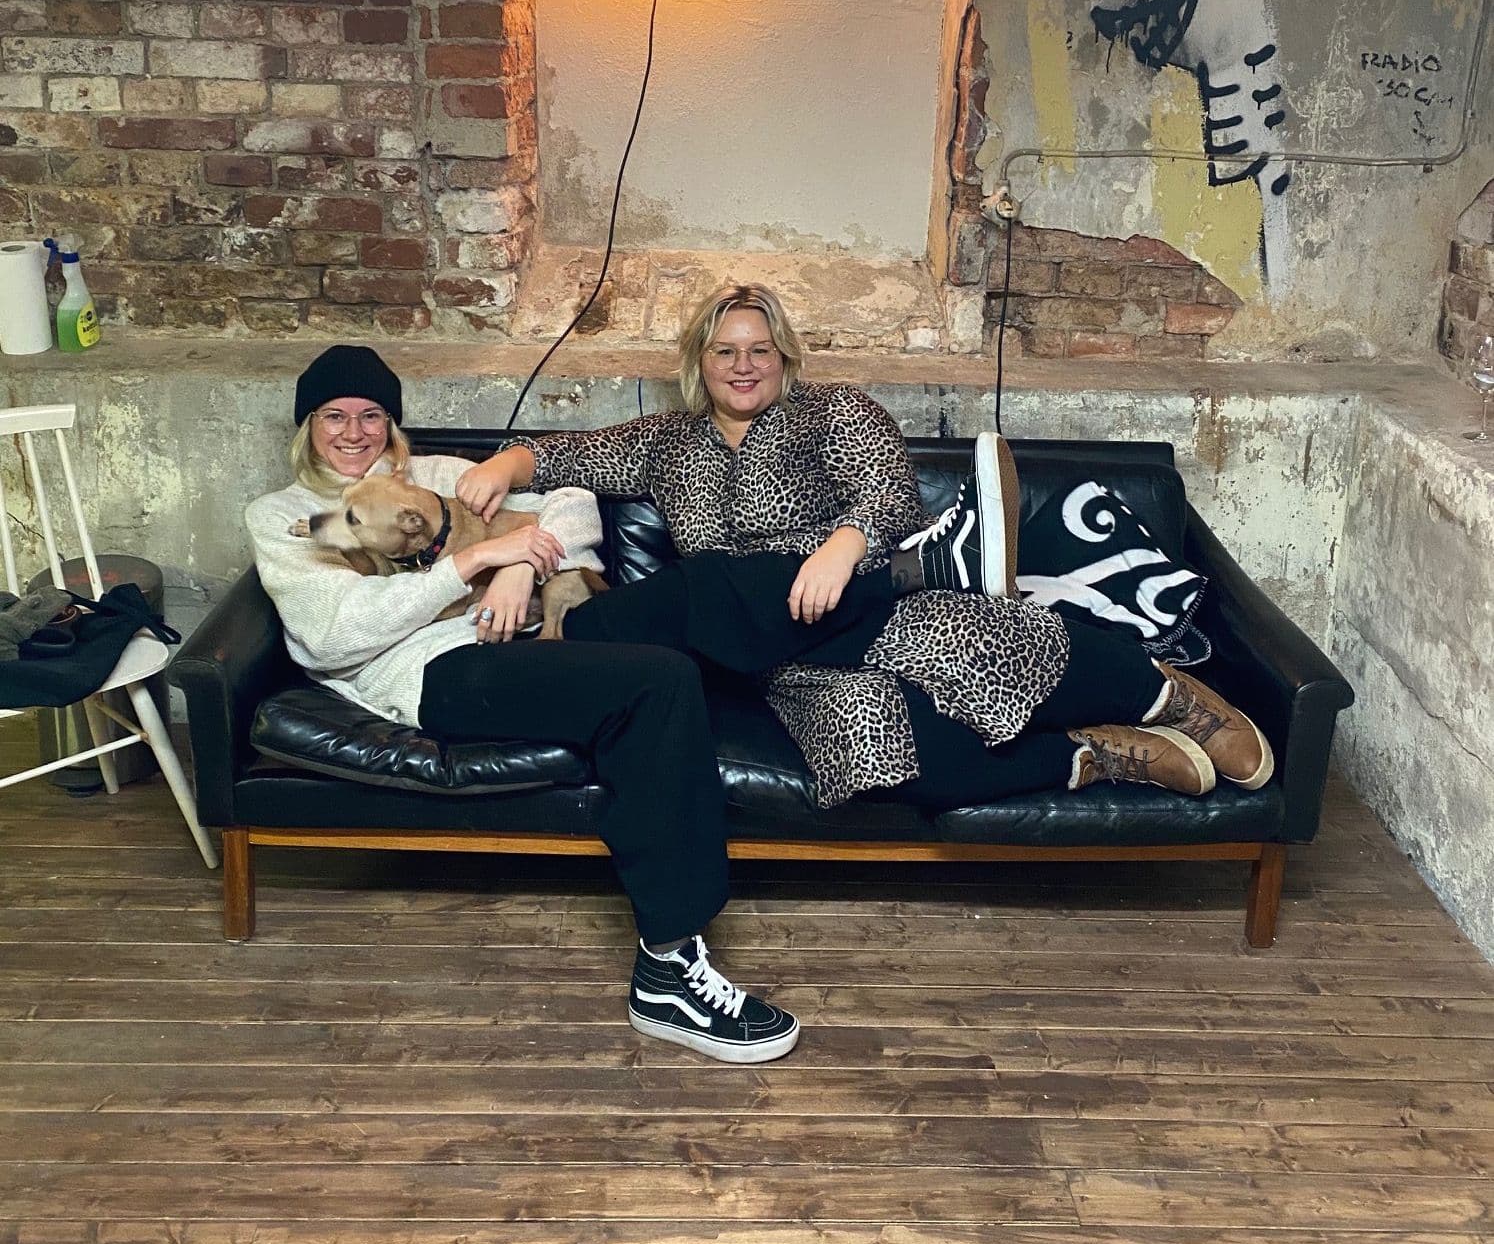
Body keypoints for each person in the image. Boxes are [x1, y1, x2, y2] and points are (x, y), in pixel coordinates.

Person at [456, 284, 1274, 812]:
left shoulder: (834, 413)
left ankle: (1175, 701)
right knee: (901, 761)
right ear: (698, 362)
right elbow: (566, 455)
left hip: (863, 605)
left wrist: (842, 547)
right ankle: (1094, 754)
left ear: (784, 358)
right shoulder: (665, 442)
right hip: (775, 659)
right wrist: (505, 465)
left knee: (979, 642)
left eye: (759, 349)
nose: (743, 365)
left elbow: (888, 492)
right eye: (724, 350)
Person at [245, 344, 801, 1065]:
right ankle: (669, 970)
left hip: (532, 632)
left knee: (691, 618)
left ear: (392, 423)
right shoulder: (285, 517)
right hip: (435, 669)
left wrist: (522, 566)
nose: (354, 433)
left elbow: (572, 501)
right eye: (333, 416)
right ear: (306, 426)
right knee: (659, 682)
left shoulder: (437, 478)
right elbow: (330, 637)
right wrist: (474, 562)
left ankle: (859, 603)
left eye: (371, 415)